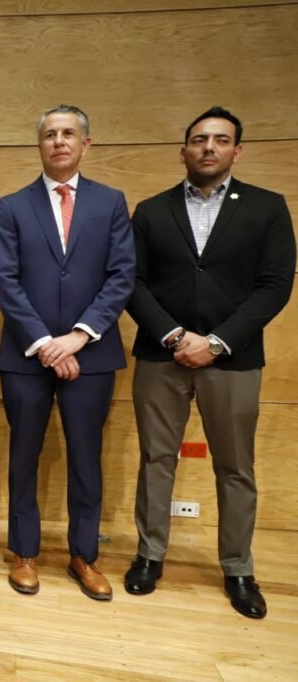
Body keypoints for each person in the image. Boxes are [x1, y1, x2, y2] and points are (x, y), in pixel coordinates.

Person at [124, 107, 295, 619]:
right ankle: (149, 555)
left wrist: (217, 342)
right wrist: (176, 335)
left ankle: (238, 568)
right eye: (199, 139)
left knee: (235, 466)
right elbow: (132, 281)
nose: (209, 147)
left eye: (221, 140)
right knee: (156, 459)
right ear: (184, 151)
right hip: (162, 354)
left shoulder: (267, 207)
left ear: (237, 151)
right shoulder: (151, 211)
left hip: (233, 359)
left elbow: (275, 286)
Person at [0, 104, 135, 600]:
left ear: (85, 144)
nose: (58, 141)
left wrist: (77, 336)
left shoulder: (111, 202)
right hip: (25, 355)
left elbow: (122, 275)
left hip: (90, 354)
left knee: (86, 459)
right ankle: (24, 552)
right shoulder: (12, 206)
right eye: (50, 134)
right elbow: (6, 281)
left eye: (68, 133)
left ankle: (84, 556)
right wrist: (45, 345)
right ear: (39, 145)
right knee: (23, 456)